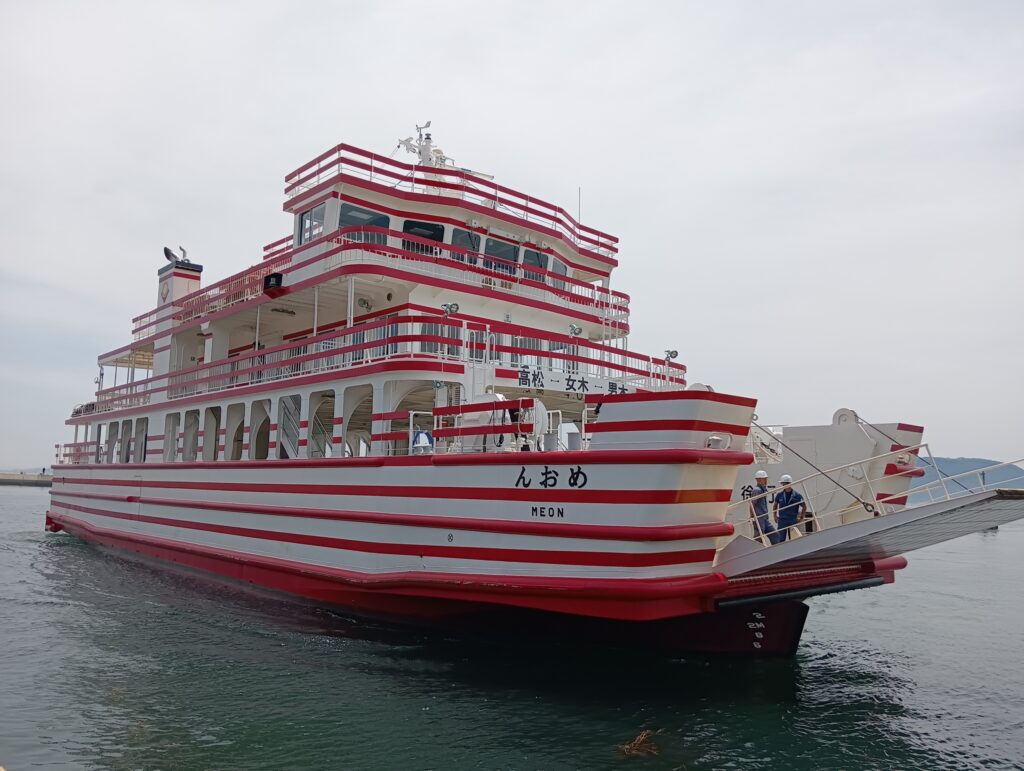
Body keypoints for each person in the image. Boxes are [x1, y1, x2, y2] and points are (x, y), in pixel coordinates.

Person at [773, 474, 806, 542]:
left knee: (793, 539)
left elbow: (804, 506)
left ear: (788, 483)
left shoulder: (797, 495)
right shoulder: (780, 495)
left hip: (792, 519)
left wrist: (802, 517)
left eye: (783, 483)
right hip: (782, 520)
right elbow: (775, 505)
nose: (782, 485)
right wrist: (775, 516)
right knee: (781, 539)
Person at [748, 470, 775, 543]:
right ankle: (756, 550)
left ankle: (776, 549)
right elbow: (752, 503)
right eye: (765, 478)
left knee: (774, 534)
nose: (766, 480)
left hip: (764, 517)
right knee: (759, 536)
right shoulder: (757, 490)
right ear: (759, 479)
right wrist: (752, 516)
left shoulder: (762, 489)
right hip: (759, 517)